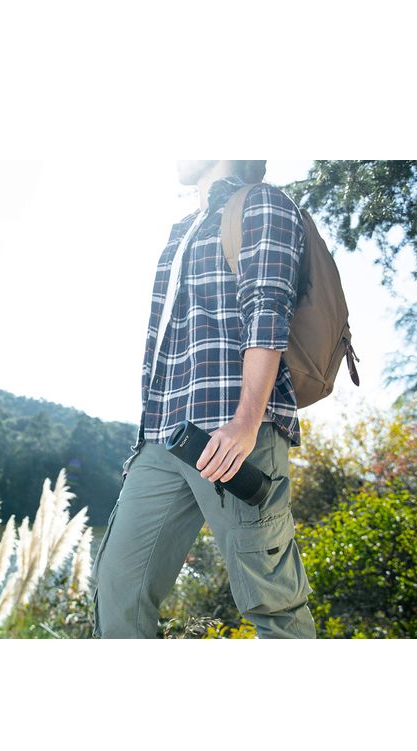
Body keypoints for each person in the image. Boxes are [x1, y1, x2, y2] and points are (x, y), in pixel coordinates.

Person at [89, 160, 316, 639]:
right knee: (118, 585)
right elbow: (169, 340)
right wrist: (144, 443)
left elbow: (268, 308)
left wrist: (246, 421)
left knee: (272, 601)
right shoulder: (183, 230)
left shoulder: (262, 203)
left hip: (235, 435)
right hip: (165, 437)